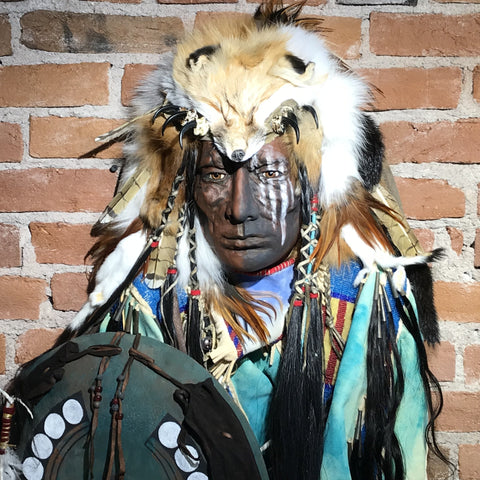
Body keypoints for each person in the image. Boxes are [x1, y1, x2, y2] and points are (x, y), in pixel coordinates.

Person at [5, 1, 446, 479]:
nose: (240, 208)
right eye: (215, 175)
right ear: (186, 188)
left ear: (316, 188)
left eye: (270, 173)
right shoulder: (153, 306)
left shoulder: (360, 308)